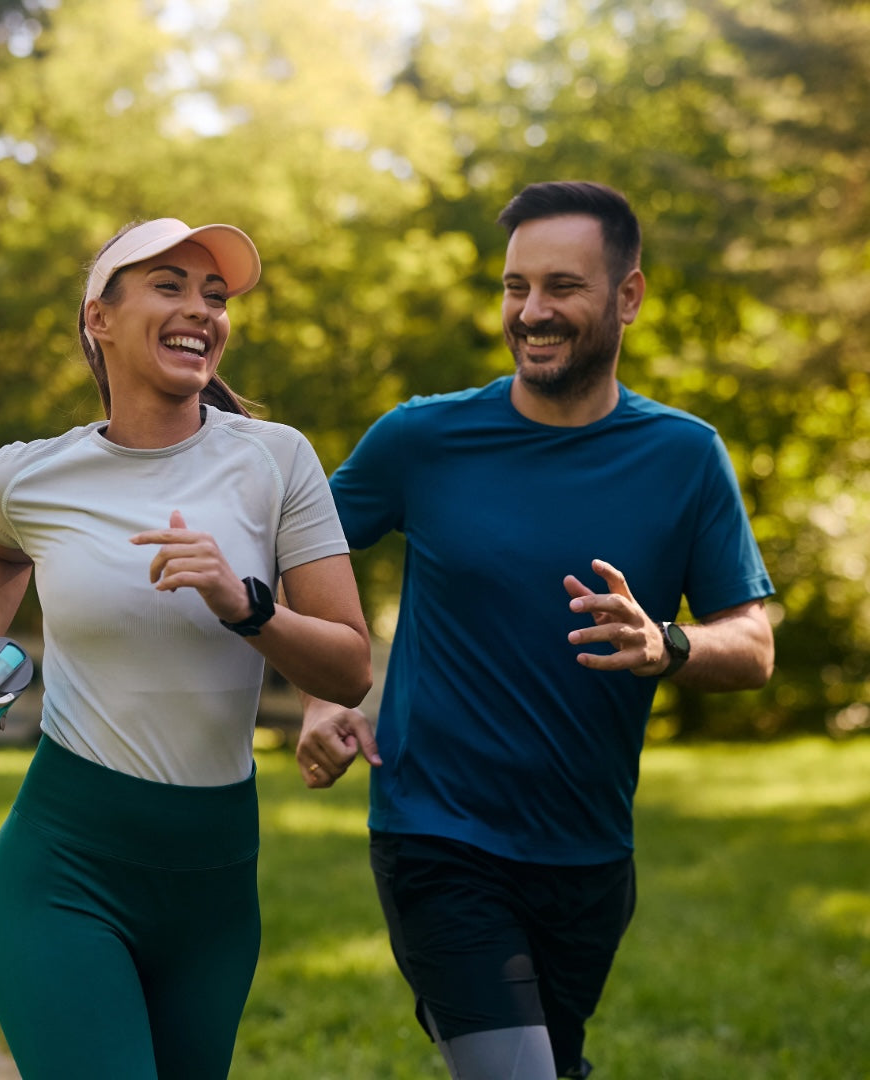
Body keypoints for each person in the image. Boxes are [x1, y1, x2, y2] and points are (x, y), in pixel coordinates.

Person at [297, 181, 775, 1080]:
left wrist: (666, 644)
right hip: (437, 834)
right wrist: (323, 690)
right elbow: (296, 548)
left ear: (628, 296)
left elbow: (751, 646)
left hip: (589, 853)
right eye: (517, 288)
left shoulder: (684, 456)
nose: (533, 312)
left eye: (563, 287)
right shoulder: (423, 439)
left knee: (553, 1067)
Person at [0, 217, 371, 1079]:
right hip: (65, 869)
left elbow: (348, 664)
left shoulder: (277, 463)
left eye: (215, 295)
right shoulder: (28, 475)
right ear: (100, 318)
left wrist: (245, 604)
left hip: (215, 883)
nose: (201, 309)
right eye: (170, 285)